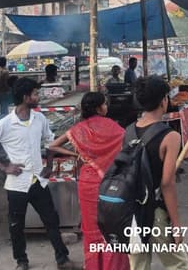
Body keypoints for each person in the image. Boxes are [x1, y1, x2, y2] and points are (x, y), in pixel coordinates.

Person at [0, 78, 75, 270]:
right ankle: (21, 261)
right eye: (35, 94)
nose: (38, 97)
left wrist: (50, 164)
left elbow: (50, 141)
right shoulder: (4, 124)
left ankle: (62, 259)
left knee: (51, 220)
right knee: (16, 225)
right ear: (25, 97)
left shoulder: (40, 119)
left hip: (38, 180)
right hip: (17, 185)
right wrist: (4, 167)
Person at [44, 92, 128, 270]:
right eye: (104, 104)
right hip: (110, 182)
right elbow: (126, 150)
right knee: (111, 227)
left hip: (87, 182)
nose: (106, 107)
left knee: (91, 229)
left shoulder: (79, 128)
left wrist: (76, 154)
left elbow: (53, 146)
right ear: (98, 108)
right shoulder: (114, 127)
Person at [127, 76, 188, 270]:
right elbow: (167, 184)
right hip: (155, 212)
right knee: (178, 265)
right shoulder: (170, 136)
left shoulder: (128, 132)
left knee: (138, 265)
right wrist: (176, 223)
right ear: (164, 100)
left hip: (132, 212)